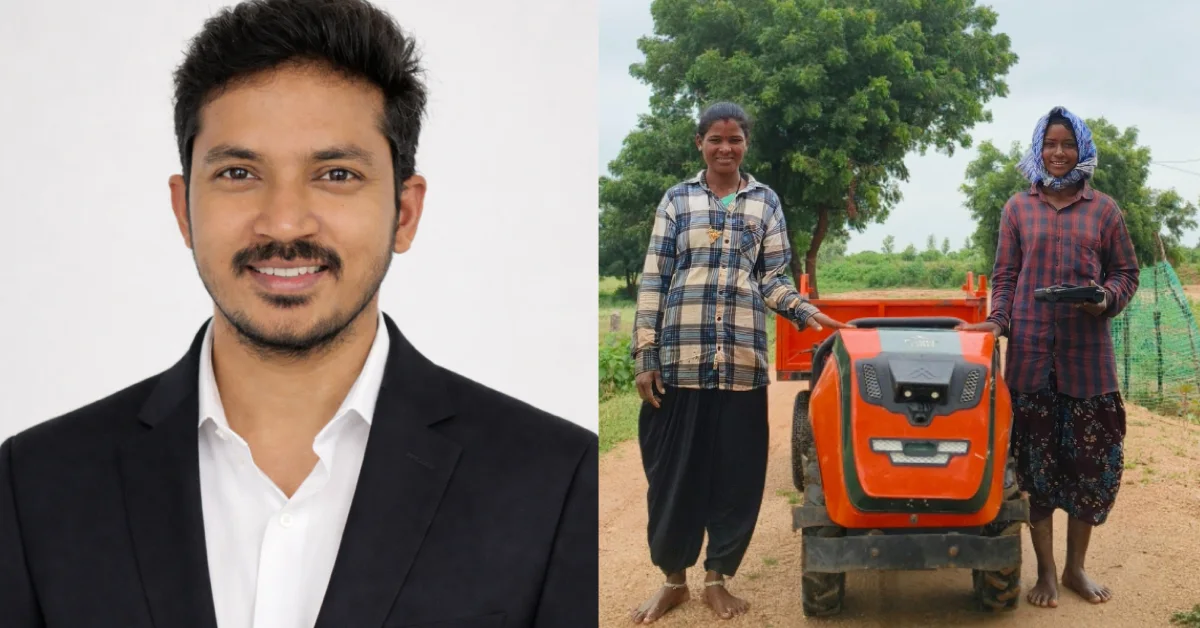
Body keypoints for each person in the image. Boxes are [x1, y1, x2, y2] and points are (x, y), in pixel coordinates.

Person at [0, 1, 597, 627]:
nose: (284, 222)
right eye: (238, 172)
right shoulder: (38, 482)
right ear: (184, 210)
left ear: (405, 212)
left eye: (335, 173)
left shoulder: (554, 483)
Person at [628, 102, 851, 624]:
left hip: (743, 366)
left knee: (736, 477)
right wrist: (645, 354)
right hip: (680, 362)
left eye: (735, 140)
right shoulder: (677, 200)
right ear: (699, 144)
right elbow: (653, 279)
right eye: (715, 140)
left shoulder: (765, 202)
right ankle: (673, 581)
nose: (725, 148)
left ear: (746, 144)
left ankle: (716, 579)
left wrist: (808, 312)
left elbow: (773, 277)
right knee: (673, 477)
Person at [958, 106, 1139, 609]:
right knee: (1035, 472)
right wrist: (996, 322)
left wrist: (1103, 297)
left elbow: (1126, 271)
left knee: (1088, 466)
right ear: (1039, 148)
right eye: (1050, 144)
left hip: (1088, 362)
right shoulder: (1019, 207)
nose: (1058, 154)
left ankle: (1077, 567)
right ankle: (1045, 573)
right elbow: (1005, 276)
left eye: (1067, 145)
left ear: (1081, 149)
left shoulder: (1104, 210)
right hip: (1032, 360)